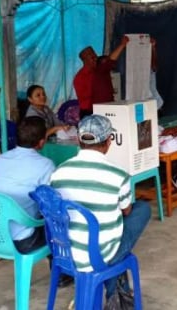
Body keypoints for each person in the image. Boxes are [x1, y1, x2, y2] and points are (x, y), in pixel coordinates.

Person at [50, 114, 150, 299]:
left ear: (79, 140)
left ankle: (118, 292)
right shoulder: (118, 174)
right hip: (100, 255)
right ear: (109, 141)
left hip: (65, 253)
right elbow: (126, 211)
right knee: (141, 209)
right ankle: (118, 293)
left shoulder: (58, 172)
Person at [0, 116, 56, 254]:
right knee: (59, 227)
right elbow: (51, 204)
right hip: (22, 241)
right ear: (42, 142)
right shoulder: (45, 164)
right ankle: (61, 274)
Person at [74, 36, 129, 119]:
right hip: (91, 113)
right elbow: (86, 102)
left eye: (95, 55)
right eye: (91, 57)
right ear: (84, 60)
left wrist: (122, 45)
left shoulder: (100, 68)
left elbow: (110, 60)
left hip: (108, 108)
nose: (95, 58)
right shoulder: (80, 78)